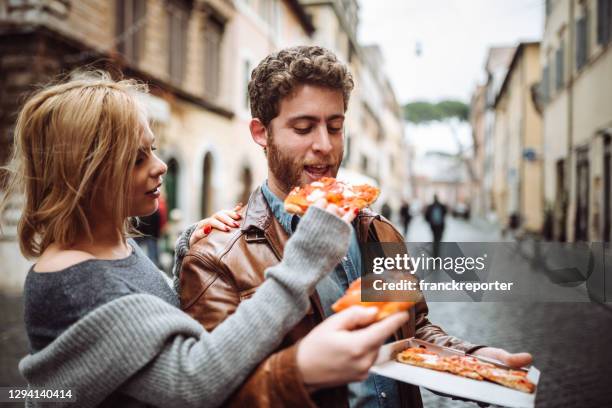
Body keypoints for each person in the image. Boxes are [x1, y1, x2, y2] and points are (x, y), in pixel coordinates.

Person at [0, 71, 410, 407]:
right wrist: (304, 262)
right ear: (86, 172)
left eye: (336, 127)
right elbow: (191, 382)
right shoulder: (73, 282)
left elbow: (149, 330)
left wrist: (187, 249)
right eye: (137, 158)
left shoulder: (112, 249)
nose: (159, 167)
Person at [179, 46, 533, 408]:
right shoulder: (215, 257)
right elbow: (211, 395)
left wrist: (472, 362)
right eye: (304, 128)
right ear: (261, 133)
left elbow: (412, 328)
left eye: (335, 126)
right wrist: (302, 371)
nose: (325, 146)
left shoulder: (379, 231)